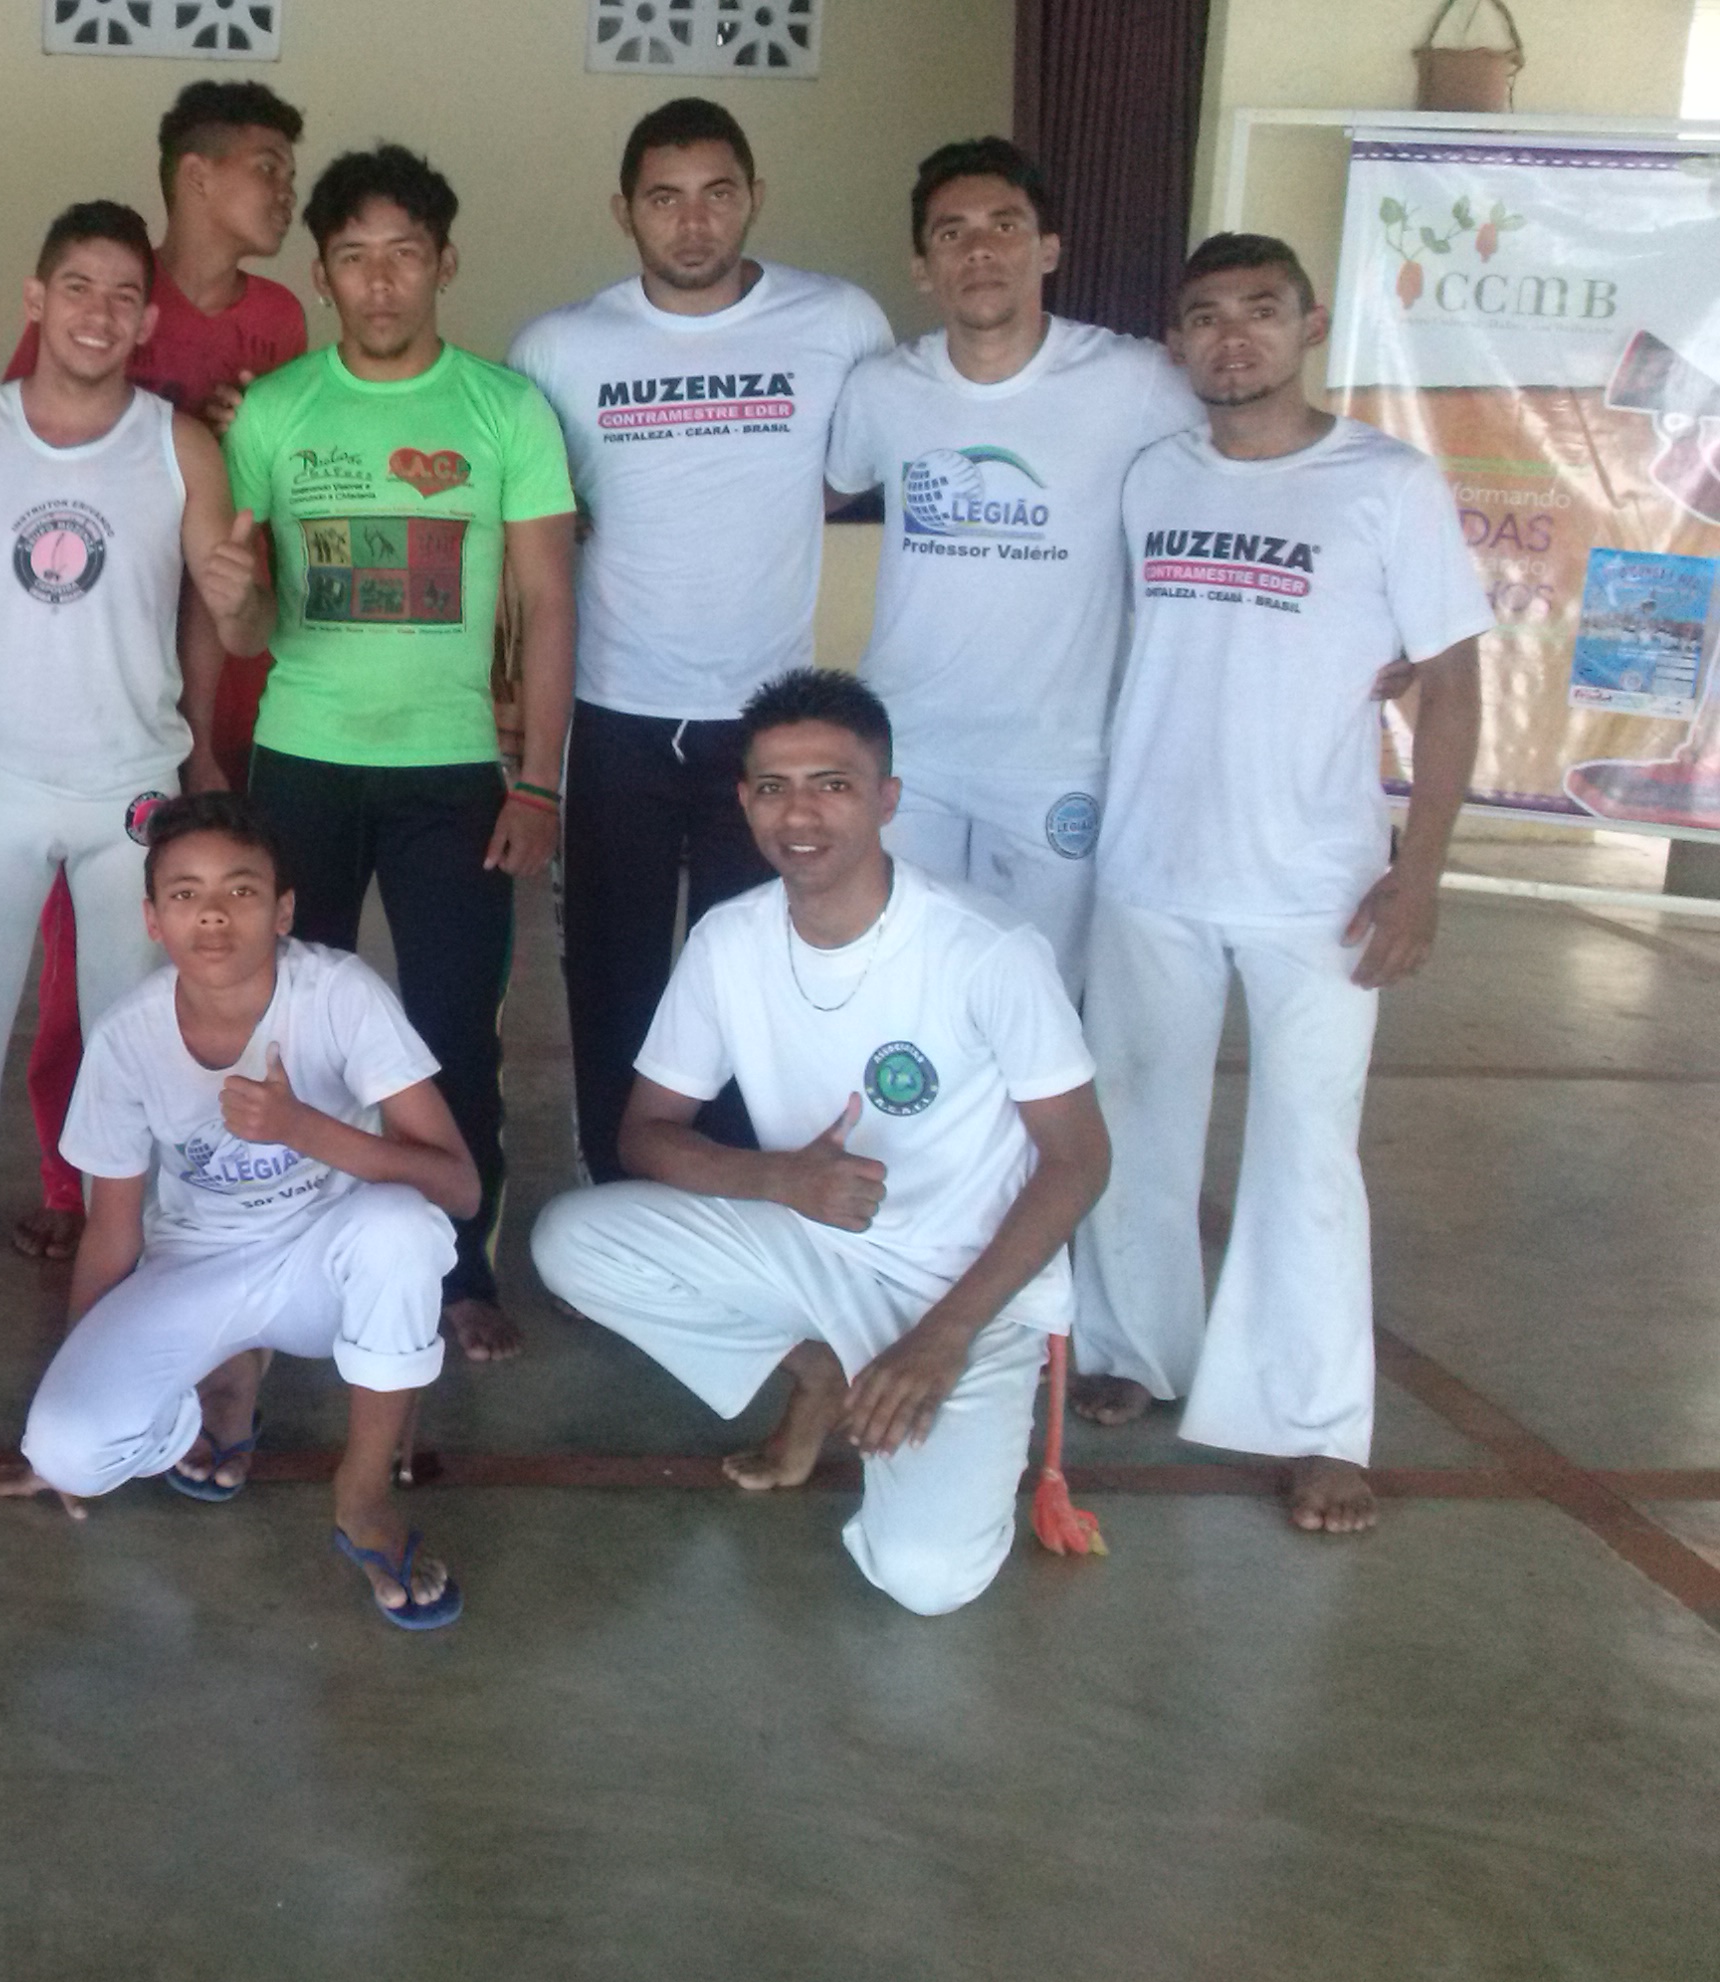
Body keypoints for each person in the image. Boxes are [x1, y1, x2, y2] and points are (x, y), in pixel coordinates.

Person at [532, 670, 1110, 1617]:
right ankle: (820, 1369)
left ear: (887, 798)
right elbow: (644, 1134)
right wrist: (779, 1180)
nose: (799, 814)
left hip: (973, 1298)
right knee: (573, 1239)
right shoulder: (729, 941)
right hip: (816, 1252)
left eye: (832, 784)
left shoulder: (986, 949)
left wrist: (942, 1339)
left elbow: (1080, 1159)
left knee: (925, 1579)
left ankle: (926, 1400)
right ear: (744, 801)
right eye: (774, 786)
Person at [1068, 235, 1488, 1538]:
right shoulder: (1152, 476)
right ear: (1176, 342)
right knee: (1132, 1123)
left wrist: (1419, 878)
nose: (1232, 336)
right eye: (1204, 316)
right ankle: (1133, 1347)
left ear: (1308, 327)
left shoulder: (1386, 483)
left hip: (1317, 885)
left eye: (1260, 310)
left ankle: (1311, 1422)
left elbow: (1453, 685)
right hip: (1149, 864)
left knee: (1307, 1155)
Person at [0, 202, 248, 1305]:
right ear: (36, 299)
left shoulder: (178, 446)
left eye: (124, 296)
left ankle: (142, 1247)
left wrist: (214, 712)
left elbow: (224, 615)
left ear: (148, 320)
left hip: (133, 790)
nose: (98, 313)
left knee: (135, 1039)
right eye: (77, 287)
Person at [222, 142, 576, 1366]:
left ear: (445, 265)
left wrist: (539, 780)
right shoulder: (275, 412)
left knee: (451, 1030)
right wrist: (230, 609)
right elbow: (248, 621)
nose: (380, 282)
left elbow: (549, 602)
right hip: (300, 764)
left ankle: (458, 1268)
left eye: (404, 256)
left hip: (453, 774)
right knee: (287, 1024)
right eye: (354, 259)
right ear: (322, 276)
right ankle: (285, 1247)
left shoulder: (504, 410)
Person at [0, 795, 476, 1628]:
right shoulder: (127, 1037)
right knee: (68, 1450)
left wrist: (305, 1130)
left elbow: (457, 1187)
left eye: (241, 891)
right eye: (185, 893)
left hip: (329, 1265)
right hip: (197, 1263)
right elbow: (113, 1231)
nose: (212, 914)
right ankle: (229, 1371)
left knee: (401, 1228)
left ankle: (362, 1495)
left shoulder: (338, 993)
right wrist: (79, 1373)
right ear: (152, 920)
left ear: (283, 912)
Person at [509, 99, 893, 1182]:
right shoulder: (559, 347)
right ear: (623, 211)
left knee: (757, 970)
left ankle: (736, 1191)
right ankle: (616, 1183)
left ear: (753, 198)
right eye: (665, 199)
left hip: (764, 727)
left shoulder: (839, 322)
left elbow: (838, 478)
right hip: (615, 715)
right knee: (613, 973)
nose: (692, 223)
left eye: (717, 195)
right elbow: (543, 514)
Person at [3, 81, 305, 1266]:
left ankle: (213, 1165)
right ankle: (72, 1175)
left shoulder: (280, 317)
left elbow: (280, 483)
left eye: (287, 169)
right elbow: (17, 466)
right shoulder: (107, 297)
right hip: (105, 680)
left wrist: (249, 432)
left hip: (243, 667)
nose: (283, 189)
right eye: (265, 165)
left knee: (225, 933)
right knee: (92, 950)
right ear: (195, 174)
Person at [824, 139, 1202, 989]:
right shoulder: (881, 389)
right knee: (905, 983)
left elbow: (1252, 458)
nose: (980, 249)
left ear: (1049, 248)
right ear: (923, 268)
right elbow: (802, 501)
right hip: (910, 752)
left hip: (1055, 763)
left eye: (1005, 225)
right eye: (951, 232)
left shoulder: (1136, 379)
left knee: (1037, 996)